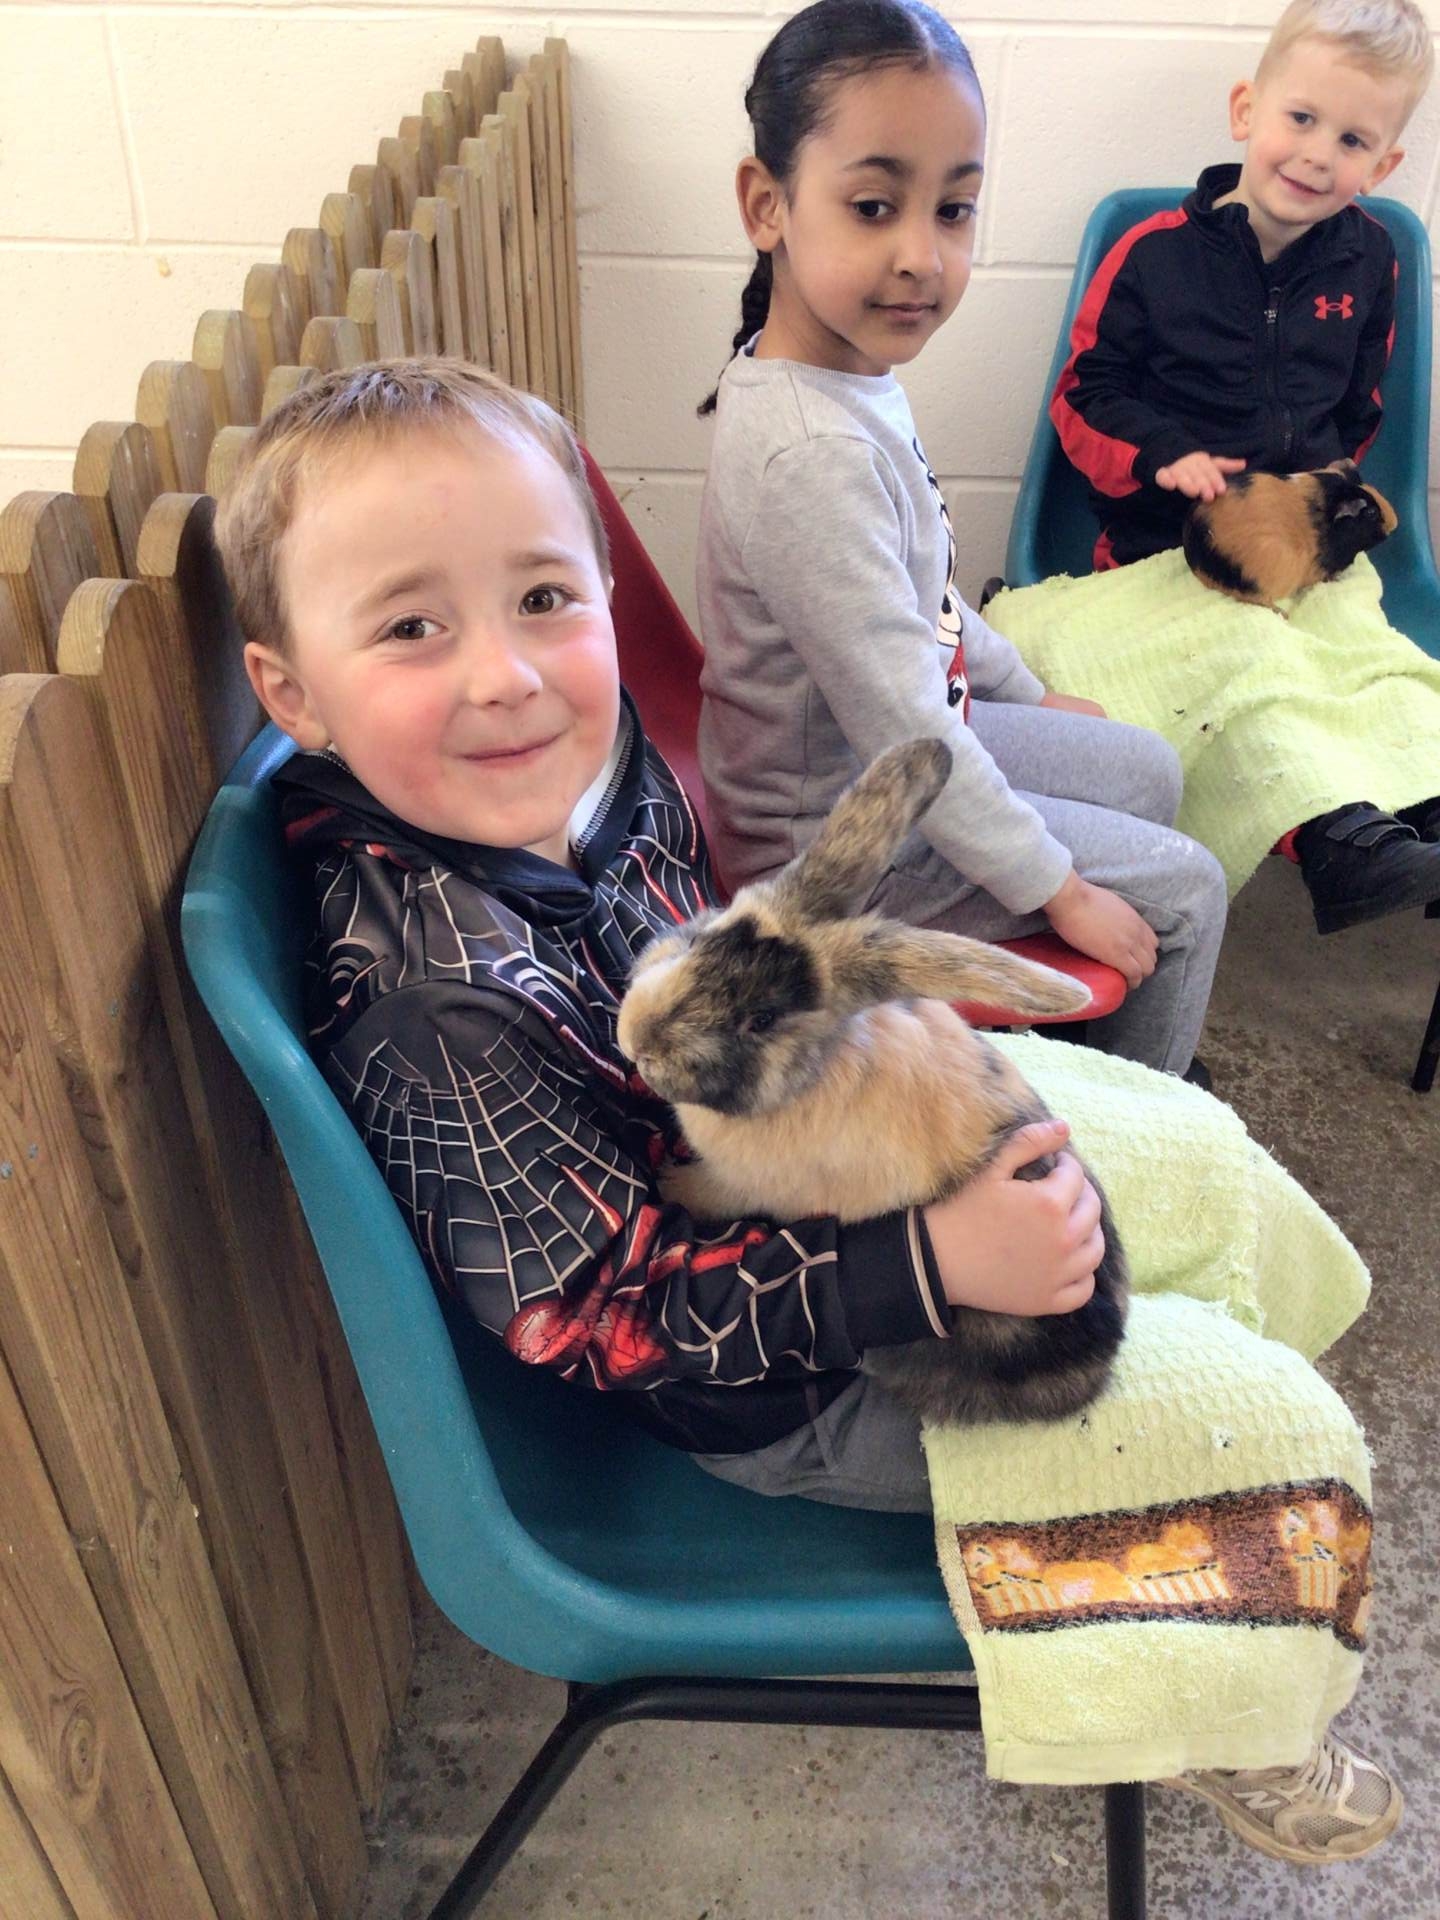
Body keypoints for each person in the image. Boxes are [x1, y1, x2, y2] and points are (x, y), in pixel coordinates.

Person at [214, 357, 1395, 1858]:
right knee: (1257, 1438)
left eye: (543, 598)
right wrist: (926, 1262)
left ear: (602, 591)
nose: (504, 674)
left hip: (787, 1175)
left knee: (1195, 1159)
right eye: (410, 627)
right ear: (290, 691)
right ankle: (1241, 1711)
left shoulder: (578, 777)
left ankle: (1217, 1313)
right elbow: (600, 1317)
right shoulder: (438, 1007)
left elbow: (726, 966)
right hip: (771, 1395)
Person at [694, 0, 1229, 1081]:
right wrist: (1058, 891)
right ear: (767, 204)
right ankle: (1141, 1113)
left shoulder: (848, 379)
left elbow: (923, 590)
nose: (920, 256)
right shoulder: (811, 454)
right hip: (833, 848)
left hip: (891, 768)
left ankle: (1092, 1038)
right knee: (1185, 890)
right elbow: (905, 727)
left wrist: (1026, 691)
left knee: (1145, 767)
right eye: (874, 206)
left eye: (953, 210)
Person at [1050, 0, 1440, 932]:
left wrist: (1324, 497)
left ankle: (1421, 804)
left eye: (1351, 139)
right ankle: (1335, 836)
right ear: (1246, 112)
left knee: (1374, 661)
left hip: (1304, 544)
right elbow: (1084, 394)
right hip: (1166, 548)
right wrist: (1162, 456)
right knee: (1254, 668)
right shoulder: (1154, 255)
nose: (1316, 154)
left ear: (1383, 166)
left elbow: (1361, 404)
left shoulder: (1370, 259)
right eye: (1300, 118)